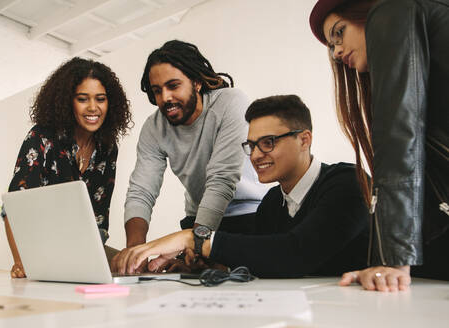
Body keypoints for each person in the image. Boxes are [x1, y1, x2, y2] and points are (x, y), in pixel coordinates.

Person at [115, 95, 370, 278]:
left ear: (304, 140)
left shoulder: (349, 182)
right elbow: (263, 261)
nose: (256, 156)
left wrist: (193, 238)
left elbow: (297, 253)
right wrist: (205, 268)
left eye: (268, 142)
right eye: (251, 145)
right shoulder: (272, 202)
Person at [309, 0, 449, 292]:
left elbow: (400, 130)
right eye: (330, 46)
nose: (336, 51)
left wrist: (391, 257)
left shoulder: (392, 9)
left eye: (339, 32)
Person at [111, 40, 268, 272]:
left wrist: (196, 244)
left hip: (250, 217)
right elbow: (141, 191)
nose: (164, 98)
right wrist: (135, 253)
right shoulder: (153, 128)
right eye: (157, 91)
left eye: (173, 85)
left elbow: (222, 180)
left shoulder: (231, 102)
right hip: (196, 220)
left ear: (196, 82)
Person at [2, 57, 132, 278]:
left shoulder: (108, 148)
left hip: (84, 251)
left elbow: (98, 218)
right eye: (83, 99)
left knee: (134, 265)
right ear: (66, 101)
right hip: (40, 253)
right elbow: (13, 209)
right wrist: (21, 262)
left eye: (100, 99)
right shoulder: (41, 137)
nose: (93, 107)